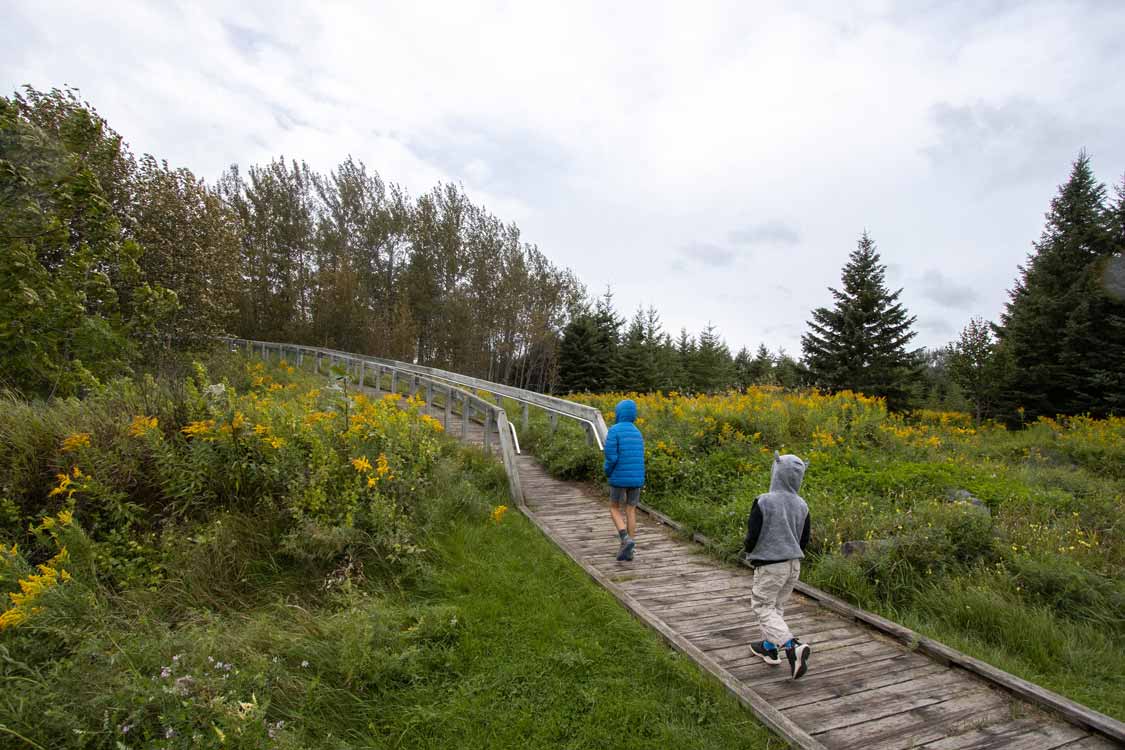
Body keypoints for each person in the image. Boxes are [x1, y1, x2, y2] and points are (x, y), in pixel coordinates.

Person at [744, 451, 812, 680]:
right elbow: (804, 539)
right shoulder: (802, 505)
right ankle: (769, 647)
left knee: (762, 606)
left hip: (771, 565)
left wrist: (750, 550)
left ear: (776, 472)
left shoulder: (765, 501)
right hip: (793, 565)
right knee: (776, 608)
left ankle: (791, 646)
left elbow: (753, 534)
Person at [603, 398, 644, 561]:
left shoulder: (614, 430)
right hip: (636, 478)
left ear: (618, 412)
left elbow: (611, 456)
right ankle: (630, 550)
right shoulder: (637, 431)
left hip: (619, 477)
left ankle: (625, 538)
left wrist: (607, 471)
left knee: (614, 508)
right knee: (631, 509)